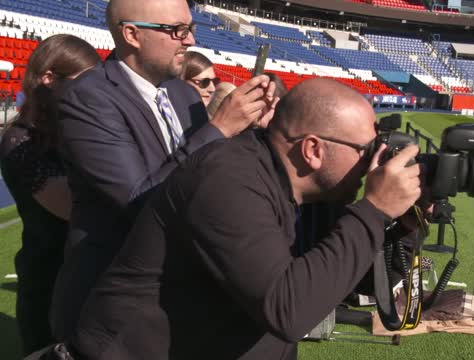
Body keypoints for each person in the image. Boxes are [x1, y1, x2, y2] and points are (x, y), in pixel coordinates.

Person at [69, 78, 422, 359]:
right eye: (365, 151)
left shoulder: (307, 191)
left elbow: (346, 280)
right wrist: (373, 210)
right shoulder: (226, 178)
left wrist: (400, 225)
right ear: (313, 150)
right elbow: (290, 310)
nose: (372, 163)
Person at [50, 0, 277, 341]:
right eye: (177, 30)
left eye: (190, 28)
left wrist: (250, 130)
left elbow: (212, 175)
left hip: (174, 300)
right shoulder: (87, 98)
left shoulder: (183, 93)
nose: (189, 40)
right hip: (112, 311)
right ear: (132, 34)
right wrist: (219, 128)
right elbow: (138, 200)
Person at [0, 34, 100, 356]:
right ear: (48, 79)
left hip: (80, 276)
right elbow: (72, 207)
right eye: (83, 83)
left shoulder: (64, 131)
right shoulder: (20, 141)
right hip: (48, 280)